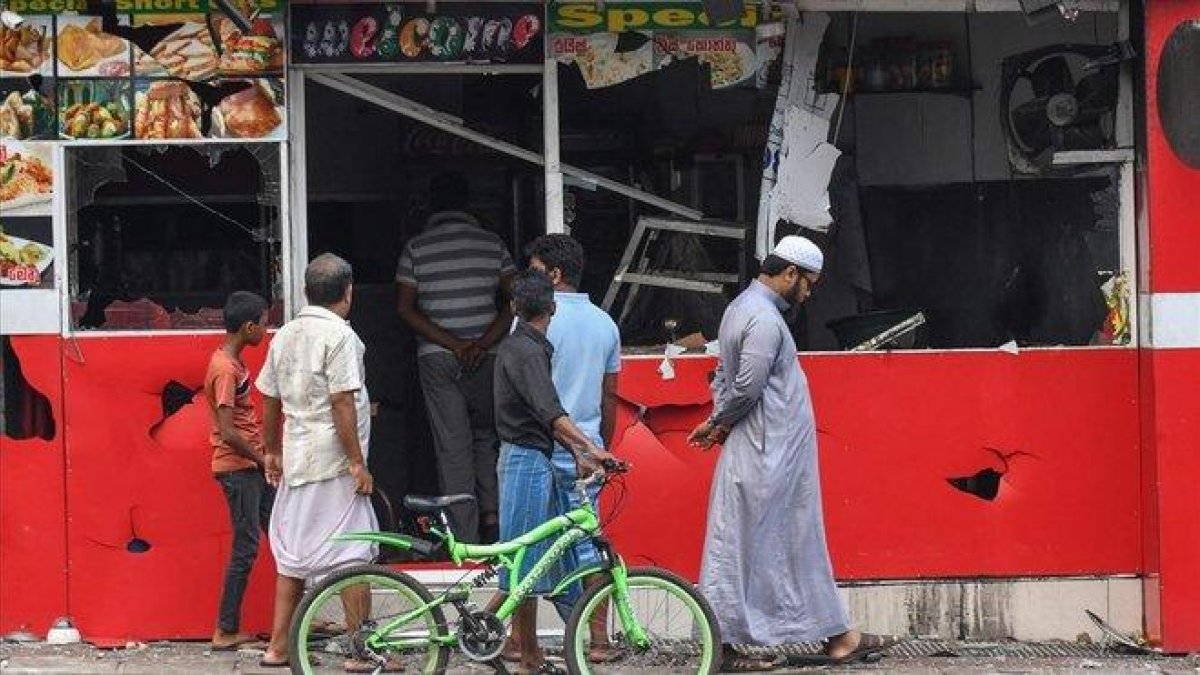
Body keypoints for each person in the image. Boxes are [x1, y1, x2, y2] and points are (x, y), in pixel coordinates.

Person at [688, 236, 895, 671]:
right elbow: (747, 386)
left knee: (780, 545)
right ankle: (727, 647)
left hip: (769, 450)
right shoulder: (762, 319)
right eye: (807, 283)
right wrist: (718, 421)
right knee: (765, 544)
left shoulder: (743, 309)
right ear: (789, 274)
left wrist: (720, 421)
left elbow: (728, 378)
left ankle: (836, 636)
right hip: (769, 453)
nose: (809, 292)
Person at [256, 253, 389, 672]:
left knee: (293, 556)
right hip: (333, 464)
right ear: (348, 293)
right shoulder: (340, 337)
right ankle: (360, 651)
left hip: (297, 458)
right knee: (354, 554)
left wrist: (271, 450)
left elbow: (270, 397)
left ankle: (278, 647)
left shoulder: (285, 334)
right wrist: (357, 463)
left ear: (305, 291)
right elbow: (341, 400)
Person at [492, 270, 617, 674]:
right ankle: (528, 656)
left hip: (534, 456)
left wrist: (577, 453)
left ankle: (531, 643)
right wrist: (591, 447)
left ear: (514, 308)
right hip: (526, 461)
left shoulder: (525, 345)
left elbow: (542, 416)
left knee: (546, 557)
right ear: (552, 307)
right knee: (525, 563)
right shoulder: (527, 351)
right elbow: (551, 412)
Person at [397, 172, 517, 544]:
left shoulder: (416, 248)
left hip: (438, 358)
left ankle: (463, 538)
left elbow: (405, 309)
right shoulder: (492, 244)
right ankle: (495, 523)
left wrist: (452, 344)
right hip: (488, 356)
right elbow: (517, 301)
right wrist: (480, 344)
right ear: (468, 205)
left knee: (453, 447)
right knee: (489, 438)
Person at [520, 235, 620, 662]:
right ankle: (599, 640)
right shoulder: (605, 324)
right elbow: (609, 398)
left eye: (535, 268)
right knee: (589, 545)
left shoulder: (534, 322)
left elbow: (524, 394)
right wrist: (599, 446)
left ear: (554, 275)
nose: (529, 276)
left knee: (523, 548)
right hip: (586, 457)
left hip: (540, 452)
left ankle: (517, 643)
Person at [204, 290, 272, 651]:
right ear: (248, 327)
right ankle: (225, 629)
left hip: (250, 467)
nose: (267, 329)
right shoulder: (226, 369)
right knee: (246, 548)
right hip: (240, 469)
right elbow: (228, 431)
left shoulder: (230, 363)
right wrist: (265, 460)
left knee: (284, 535)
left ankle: (298, 613)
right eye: (264, 323)